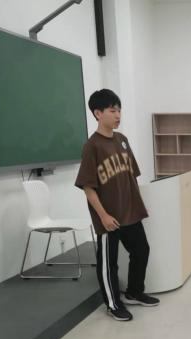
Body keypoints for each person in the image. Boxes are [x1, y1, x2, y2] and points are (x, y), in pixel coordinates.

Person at [75, 89, 160, 322]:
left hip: (130, 212)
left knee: (141, 250)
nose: (118, 115)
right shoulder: (92, 146)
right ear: (98, 113)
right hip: (108, 217)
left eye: (119, 110)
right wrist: (102, 215)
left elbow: (131, 176)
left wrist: (138, 204)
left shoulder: (122, 140)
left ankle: (134, 292)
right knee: (108, 263)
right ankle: (113, 304)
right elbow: (88, 187)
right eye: (112, 110)